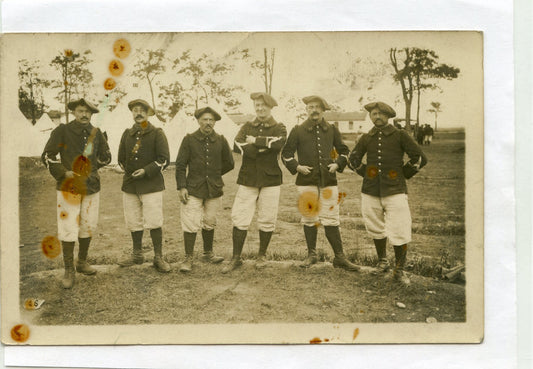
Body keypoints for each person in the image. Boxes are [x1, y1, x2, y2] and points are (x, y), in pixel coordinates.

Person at [349, 101, 427, 285]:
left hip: (395, 191)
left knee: (400, 228)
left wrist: (402, 175)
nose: (377, 117)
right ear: (370, 116)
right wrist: (366, 174)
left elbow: (420, 158)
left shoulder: (400, 135)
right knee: (375, 227)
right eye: (374, 114)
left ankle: (399, 269)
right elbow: (354, 158)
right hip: (370, 191)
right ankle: (382, 262)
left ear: (389, 116)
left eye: (381, 114)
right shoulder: (367, 137)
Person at [281, 95, 360, 271]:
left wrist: (337, 164)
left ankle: (340, 257)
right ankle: (312, 254)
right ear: (306, 110)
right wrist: (297, 167)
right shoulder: (298, 130)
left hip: (328, 180)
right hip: (306, 180)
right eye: (310, 107)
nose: (314, 110)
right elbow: (286, 154)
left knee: (331, 218)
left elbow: (344, 151)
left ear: (323, 110)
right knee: (309, 217)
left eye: (317, 107)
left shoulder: (331, 129)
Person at [41, 98, 111, 288]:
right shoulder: (62, 130)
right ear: (74, 112)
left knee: (88, 225)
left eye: (88, 112)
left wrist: (94, 169)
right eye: (80, 111)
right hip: (69, 186)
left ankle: (81, 262)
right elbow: (47, 155)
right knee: (68, 227)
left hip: (91, 186)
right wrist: (64, 172)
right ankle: (69, 270)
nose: (84, 115)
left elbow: (106, 155)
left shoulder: (96, 134)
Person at [222, 92, 287, 273]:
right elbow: (236, 145)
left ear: (270, 107)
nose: (259, 109)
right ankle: (236, 258)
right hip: (248, 177)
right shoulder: (247, 126)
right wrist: (261, 149)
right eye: (257, 105)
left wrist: (255, 141)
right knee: (240, 217)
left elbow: (278, 144)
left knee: (267, 217)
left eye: (263, 106)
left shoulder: (279, 127)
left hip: (270, 179)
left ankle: (261, 256)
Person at [175, 106, 234, 273]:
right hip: (192, 188)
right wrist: (182, 187)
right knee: (190, 222)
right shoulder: (189, 139)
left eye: (211, 120)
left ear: (215, 122)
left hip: (214, 189)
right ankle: (188, 258)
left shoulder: (221, 140)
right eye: (205, 119)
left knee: (210, 220)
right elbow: (180, 165)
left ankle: (208, 253)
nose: (208, 123)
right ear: (198, 121)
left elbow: (229, 163)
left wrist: (213, 175)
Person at [117, 99, 171, 273]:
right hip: (131, 185)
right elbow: (121, 158)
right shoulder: (127, 133)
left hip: (151, 184)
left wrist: (146, 171)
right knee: (133, 220)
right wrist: (128, 170)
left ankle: (158, 257)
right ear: (132, 113)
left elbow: (164, 160)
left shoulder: (157, 133)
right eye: (135, 110)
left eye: (142, 110)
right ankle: (137, 255)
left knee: (154, 220)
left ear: (148, 113)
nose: (138, 113)